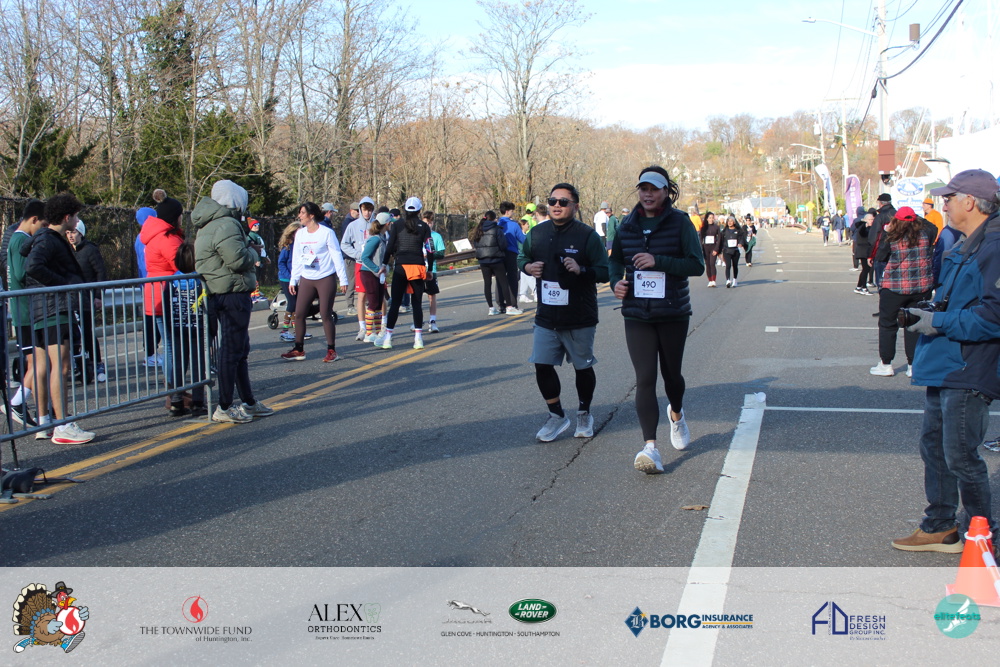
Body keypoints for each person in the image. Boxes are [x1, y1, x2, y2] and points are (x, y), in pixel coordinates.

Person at [892, 169, 1000, 554]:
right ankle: (940, 526)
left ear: (970, 202)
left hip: (969, 365)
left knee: (960, 455)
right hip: (948, 363)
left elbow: (993, 317)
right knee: (935, 448)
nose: (944, 204)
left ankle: (982, 538)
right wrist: (928, 310)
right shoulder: (969, 242)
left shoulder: (994, 246)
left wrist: (937, 321)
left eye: (950, 198)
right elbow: (959, 301)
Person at [611, 166, 705, 473]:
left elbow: (696, 265)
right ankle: (650, 448)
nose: (648, 194)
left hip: (672, 312)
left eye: (654, 189)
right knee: (645, 378)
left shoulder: (680, 223)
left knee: (671, 376)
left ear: (666, 191)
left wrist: (658, 261)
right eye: (643, 188)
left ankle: (676, 413)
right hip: (637, 313)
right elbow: (615, 262)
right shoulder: (627, 224)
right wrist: (615, 283)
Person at [518, 183, 609, 442]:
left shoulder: (587, 235)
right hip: (547, 315)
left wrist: (581, 270)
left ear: (575, 206)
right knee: (542, 364)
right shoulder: (537, 233)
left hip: (579, 314)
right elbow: (521, 258)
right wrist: (528, 268)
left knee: (582, 367)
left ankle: (584, 412)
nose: (556, 205)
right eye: (552, 201)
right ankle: (556, 415)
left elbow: (604, 271)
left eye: (563, 202)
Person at [193, 179, 274, 424]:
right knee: (232, 350)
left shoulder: (208, 222)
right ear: (235, 201)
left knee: (239, 349)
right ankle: (225, 406)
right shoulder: (226, 223)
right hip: (231, 292)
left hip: (220, 290)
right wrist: (253, 251)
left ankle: (248, 401)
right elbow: (237, 259)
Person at [22, 193, 95, 444]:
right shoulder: (49, 239)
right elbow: (34, 266)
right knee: (61, 367)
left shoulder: (43, 238)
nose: (77, 221)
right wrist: (62, 284)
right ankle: (63, 424)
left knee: (48, 367)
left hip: (43, 309)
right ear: (67, 217)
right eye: (75, 216)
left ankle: (48, 423)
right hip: (54, 309)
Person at [869, 206, 937, 378]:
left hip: (894, 287)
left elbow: (880, 257)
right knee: (914, 324)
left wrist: (888, 231)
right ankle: (913, 365)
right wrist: (916, 217)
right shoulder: (926, 234)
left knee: (888, 325)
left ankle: (886, 364)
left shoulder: (891, 237)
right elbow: (933, 227)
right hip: (920, 287)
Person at [281, 202, 349, 362]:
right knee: (299, 313)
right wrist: (293, 280)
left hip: (325, 277)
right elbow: (297, 258)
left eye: (302, 213)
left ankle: (331, 351)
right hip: (307, 278)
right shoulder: (300, 234)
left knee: (325, 314)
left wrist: (343, 279)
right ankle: (299, 349)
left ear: (311, 215)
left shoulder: (326, 233)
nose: (299, 216)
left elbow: (336, 256)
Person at [5, 199, 45, 427]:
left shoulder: (16, 239)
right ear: (34, 220)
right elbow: (21, 273)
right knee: (38, 362)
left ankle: (39, 408)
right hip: (26, 310)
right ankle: (18, 403)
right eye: (42, 225)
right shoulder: (21, 240)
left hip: (24, 309)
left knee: (38, 362)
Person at [141, 197, 186, 391]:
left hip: (156, 293)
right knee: (171, 345)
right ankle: (174, 389)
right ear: (174, 217)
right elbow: (182, 265)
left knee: (169, 343)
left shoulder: (154, 235)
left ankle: (173, 389)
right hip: (166, 295)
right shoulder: (167, 238)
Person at [377, 197, 432, 350]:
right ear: (419, 210)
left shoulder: (397, 225)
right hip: (417, 266)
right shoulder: (424, 226)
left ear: (405, 209)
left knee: (395, 303)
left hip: (401, 266)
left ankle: (388, 338)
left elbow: (389, 246)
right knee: (416, 303)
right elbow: (430, 249)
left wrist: (384, 264)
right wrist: (430, 269)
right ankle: (418, 339)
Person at [164, 241, 207, 417]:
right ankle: (197, 402)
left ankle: (176, 402)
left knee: (178, 365)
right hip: (196, 327)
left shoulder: (171, 281)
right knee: (198, 365)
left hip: (176, 328)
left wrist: (169, 326)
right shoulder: (200, 281)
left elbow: (166, 305)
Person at [66, 219, 108, 384]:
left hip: (87, 299)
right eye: (68, 233)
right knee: (72, 335)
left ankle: (97, 363)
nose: (71, 236)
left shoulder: (90, 250)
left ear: (81, 233)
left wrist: (98, 295)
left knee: (88, 333)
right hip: (70, 299)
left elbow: (101, 273)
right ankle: (78, 366)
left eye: (74, 232)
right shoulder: (66, 251)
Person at [341, 197, 375, 337]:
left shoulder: (377, 224)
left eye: (370, 210)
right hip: (361, 264)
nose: (367, 213)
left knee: (378, 296)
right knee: (361, 295)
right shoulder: (353, 225)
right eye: (364, 210)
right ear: (360, 209)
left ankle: (380, 326)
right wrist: (357, 254)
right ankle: (362, 328)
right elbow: (344, 244)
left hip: (375, 265)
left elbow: (386, 242)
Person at [471, 211, 515, 316]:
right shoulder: (496, 229)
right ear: (494, 219)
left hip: (483, 260)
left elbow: (476, 244)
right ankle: (509, 307)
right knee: (503, 282)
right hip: (496, 259)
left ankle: (491, 308)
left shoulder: (478, 229)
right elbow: (503, 244)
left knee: (487, 284)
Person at [135, 206, 163, 367]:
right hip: (152, 283)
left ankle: (151, 352)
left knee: (151, 319)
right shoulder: (147, 238)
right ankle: (151, 353)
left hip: (146, 283)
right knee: (153, 320)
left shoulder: (140, 237)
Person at [359, 212, 391, 342]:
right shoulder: (375, 239)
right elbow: (364, 257)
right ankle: (368, 333)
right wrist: (377, 270)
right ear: (387, 224)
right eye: (390, 222)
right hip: (369, 273)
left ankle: (378, 332)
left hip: (377, 274)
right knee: (372, 302)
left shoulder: (383, 238)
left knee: (378, 302)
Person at [276, 221, 303, 342]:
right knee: (292, 303)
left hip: (297, 279)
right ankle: (284, 330)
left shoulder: (300, 246)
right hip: (286, 279)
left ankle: (298, 330)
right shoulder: (287, 247)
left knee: (298, 304)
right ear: (292, 233)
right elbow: (281, 263)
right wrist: (290, 276)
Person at [497, 202, 526, 310]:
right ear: (507, 211)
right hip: (511, 253)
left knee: (500, 278)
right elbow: (522, 239)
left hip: (498, 254)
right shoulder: (514, 225)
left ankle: (501, 304)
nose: (513, 213)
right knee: (512, 278)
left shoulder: (497, 224)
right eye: (512, 211)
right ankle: (513, 303)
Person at [422, 210, 445, 333]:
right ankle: (417, 321)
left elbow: (441, 253)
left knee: (431, 295)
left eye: (430, 223)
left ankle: (432, 321)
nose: (428, 225)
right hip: (418, 269)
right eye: (426, 222)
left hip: (431, 269)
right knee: (416, 296)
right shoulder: (417, 235)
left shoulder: (436, 236)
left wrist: (430, 255)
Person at [869, 193, 897, 288]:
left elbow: (873, 237)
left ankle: (882, 292)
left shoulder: (880, 216)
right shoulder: (897, 215)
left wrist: (870, 255)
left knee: (881, 280)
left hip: (881, 251)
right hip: (896, 250)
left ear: (881, 203)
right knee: (894, 279)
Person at [716, 215, 746, 288]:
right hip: (727, 250)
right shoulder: (724, 231)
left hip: (735, 250)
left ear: (734, 222)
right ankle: (728, 280)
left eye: (731, 221)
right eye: (728, 221)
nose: (729, 222)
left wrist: (740, 243)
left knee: (735, 266)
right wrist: (719, 251)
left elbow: (742, 238)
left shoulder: (738, 231)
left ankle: (735, 280)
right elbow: (721, 241)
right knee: (728, 265)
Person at [852, 210, 876, 295]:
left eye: (872, 219)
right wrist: (865, 224)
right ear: (865, 220)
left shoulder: (870, 228)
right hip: (863, 251)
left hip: (866, 251)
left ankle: (859, 286)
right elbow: (862, 232)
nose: (872, 221)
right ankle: (864, 288)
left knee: (866, 269)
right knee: (866, 269)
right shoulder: (863, 227)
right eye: (870, 219)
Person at [699, 212, 720, 287]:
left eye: (712, 218)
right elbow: (701, 239)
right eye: (710, 218)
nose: (711, 219)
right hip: (706, 248)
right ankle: (710, 280)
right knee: (707, 264)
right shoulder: (703, 228)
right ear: (707, 219)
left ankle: (714, 280)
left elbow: (719, 239)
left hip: (713, 247)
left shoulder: (716, 227)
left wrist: (716, 249)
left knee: (712, 263)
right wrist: (701, 248)